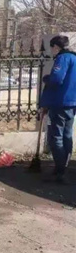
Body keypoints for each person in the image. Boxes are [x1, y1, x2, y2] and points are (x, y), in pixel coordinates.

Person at [39, 35, 76, 183]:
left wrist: (47, 78)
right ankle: (64, 166)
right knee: (67, 135)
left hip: (60, 102)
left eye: (52, 48)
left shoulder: (63, 58)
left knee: (56, 137)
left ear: (56, 47)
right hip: (72, 103)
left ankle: (60, 171)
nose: (51, 51)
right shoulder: (74, 58)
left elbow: (56, 79)